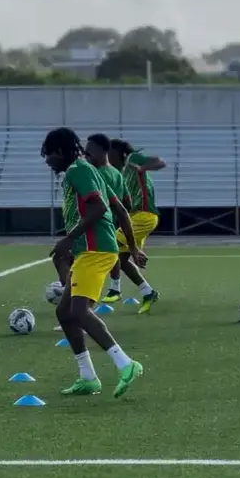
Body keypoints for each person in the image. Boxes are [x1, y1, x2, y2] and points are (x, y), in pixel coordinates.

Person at [43, 127, 146, 398]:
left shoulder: (79, 171)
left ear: (61, 151)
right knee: (64, 312)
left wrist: (68, 240)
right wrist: (132, 247)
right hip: (93, 250)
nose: (47, 161)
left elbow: (99, 209)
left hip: (96, 250)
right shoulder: (88, 172)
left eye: (49, 155)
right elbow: (119, 209)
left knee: (78, 312)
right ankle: (88, 377)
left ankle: (126, 363)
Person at [99, 139, 164, 312]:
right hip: (135, 218)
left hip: (144, 215)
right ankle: (148, 292)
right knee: (123, 259)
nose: (107, 157)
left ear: (119, 153)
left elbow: (159, 162)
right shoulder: (119, 174)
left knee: (111, 247)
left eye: (109, 153)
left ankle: (115, 289)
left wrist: (144, 168)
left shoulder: (133, 159)